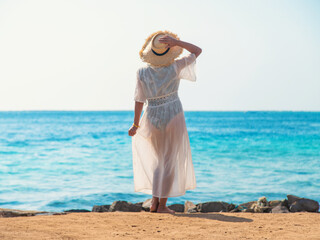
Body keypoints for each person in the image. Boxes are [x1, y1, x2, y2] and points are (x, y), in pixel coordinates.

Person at [128, 30, 202, 214]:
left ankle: (154, 203)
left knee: (158, 162)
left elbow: (139, 100)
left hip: (152, 115)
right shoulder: (175, 67)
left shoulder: (142, 72)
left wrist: (135, 124)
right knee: (169, 161)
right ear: (168, 50)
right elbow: (197, 50)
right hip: (172, 113)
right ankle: (161, 206)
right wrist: (179, 42)